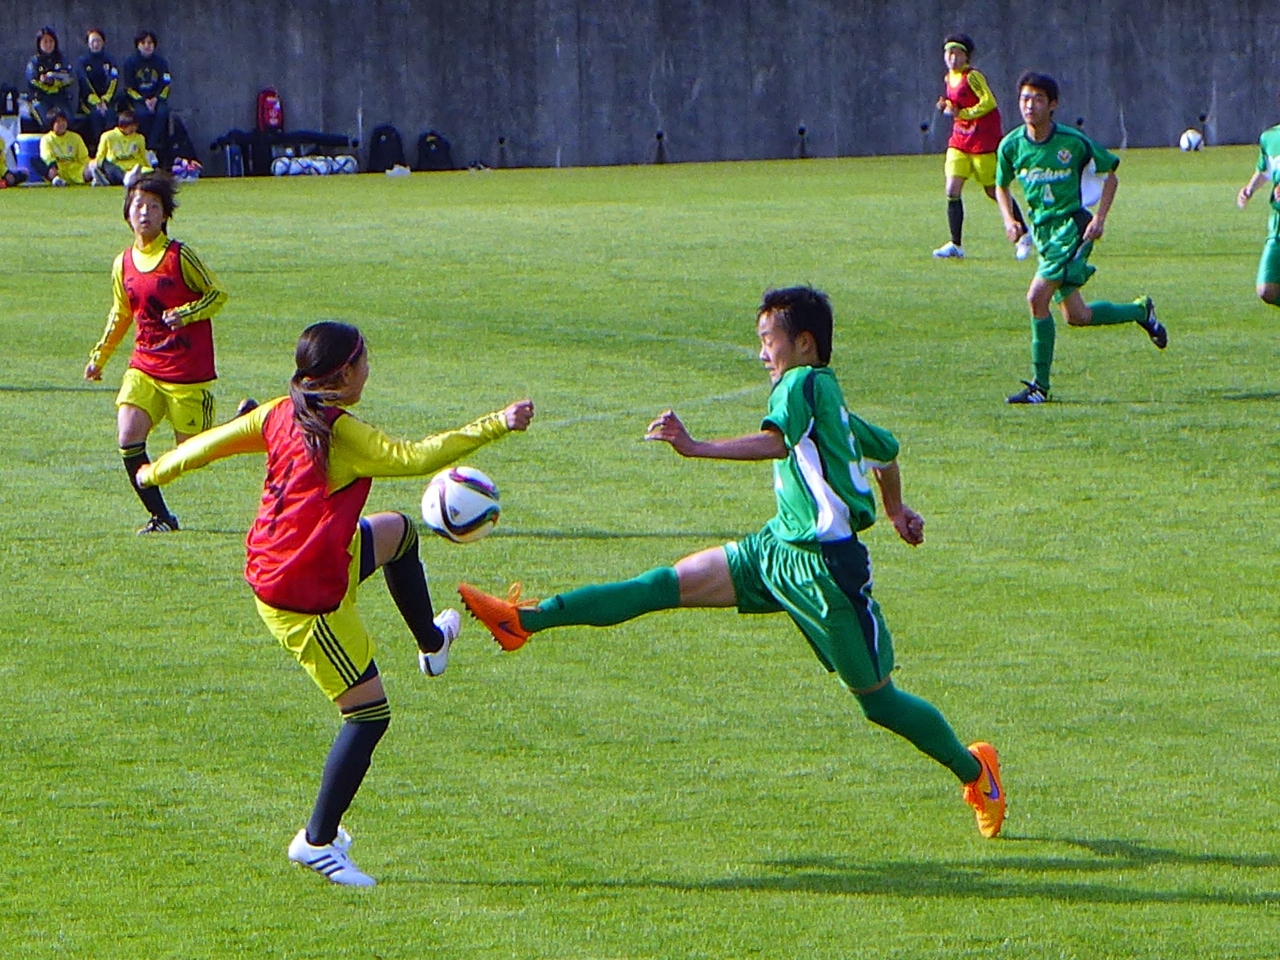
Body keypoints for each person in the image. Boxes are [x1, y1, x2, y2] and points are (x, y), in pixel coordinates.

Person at [460, 286, 1006, 841]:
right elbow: (887, 451)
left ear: (805, 343)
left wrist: (695, 447)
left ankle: (976, 770)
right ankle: (522, 620)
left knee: (878, 702)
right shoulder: (830, 398)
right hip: (774, 552)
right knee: (664, 584)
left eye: (769, 341)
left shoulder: (801, 384)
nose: (763, 354)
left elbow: (776, 444)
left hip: (825, 572)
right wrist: (894, 508)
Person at [136, 321, 536, 886]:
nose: (369, 370)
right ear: (345, 373)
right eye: (365, 361)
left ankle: (432, 642)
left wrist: (155, 469)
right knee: (368, 714)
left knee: (399, 533)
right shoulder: (341, 434)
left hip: (312, 556)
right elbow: (418, 456)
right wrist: (497, 423)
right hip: (302, 597)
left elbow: (212, 443)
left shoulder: (281, 410)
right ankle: (317, 841)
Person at [995, 72, 1168, 404]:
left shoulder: (1073, 142)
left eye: (1038, 99)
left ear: (1053, 105)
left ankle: (1039, 387)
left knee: (1036, 298)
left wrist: (1100, 219)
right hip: (1045, 236)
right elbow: (1001, 185)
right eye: (1024, 99)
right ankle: (1140, 311)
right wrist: (1009, 220)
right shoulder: (1011, 145)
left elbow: (1111, 176)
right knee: (1078, 316)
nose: (1029, 106)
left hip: (1073, 228)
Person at [83, 171, 229, 533]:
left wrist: (187, 313)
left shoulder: (180, 256)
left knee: (191, 456)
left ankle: (245, 422)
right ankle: (161, 517)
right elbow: (121, 313)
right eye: (137, 206)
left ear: (165, 215)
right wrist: (99, 357)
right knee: (128, 436)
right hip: (144, 366)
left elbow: (217, 294)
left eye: (153, 206)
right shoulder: (123, 263)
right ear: (127, 214)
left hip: (187, 371)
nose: (144, 213)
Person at [932, 33, 1031, 261]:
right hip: (959, 139)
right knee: (951, 189)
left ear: (966, 56)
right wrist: (947, 106)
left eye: (957, 53)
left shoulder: (973, 76)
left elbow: (988, 102)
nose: (952, 58)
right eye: (948, 53)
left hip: (981, 139)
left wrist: (964, 113)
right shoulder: (948, 78)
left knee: (993, 190)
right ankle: (956, 245)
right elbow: (957, 104)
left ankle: (1023, 234)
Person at [1235, 97, 1280, 310]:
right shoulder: (1270, 138)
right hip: (1278, 225)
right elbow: (1265, 171)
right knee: (1266, 290)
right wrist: (1249, 189)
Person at [121, 30, 171, 152]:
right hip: (137, 99)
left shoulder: (161, 62)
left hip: (157, 98)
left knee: (163, 112)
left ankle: (151, 148)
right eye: (143, 43)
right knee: (142, 114)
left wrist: (156, 99)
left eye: (150, 43)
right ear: (138, 45)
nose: (147, 46)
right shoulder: (130, 63)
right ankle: (142, 146)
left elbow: (166, 84)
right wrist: (144, 101)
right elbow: (128, 87)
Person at [76, 28, 119, 151]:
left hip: (107, 100)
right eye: (92, 41)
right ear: (88, 44)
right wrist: (97, 102)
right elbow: (84, 83)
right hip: (88, 100)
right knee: (95, 115)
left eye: (98, 41)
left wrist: (105, 100)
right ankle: (99, 149)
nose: (96, 44)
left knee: (110, 115)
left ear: (103, 42)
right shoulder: (83, 61)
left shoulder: (110, 60)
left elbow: (114, 81)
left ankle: (111, 149)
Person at [25, 26, 75, 128]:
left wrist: (54, 83)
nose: (48, 45)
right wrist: (47, 85)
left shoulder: (62, 59)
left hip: (60, 98)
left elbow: (70, 78)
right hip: (40, 99)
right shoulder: (34, 62)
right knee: (47, 121)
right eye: (45, 42)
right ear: (39, 44)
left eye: (51, 41)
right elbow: (33, 80)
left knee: (68, 119)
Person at [89, 109, 151, 186]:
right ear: (123, 125)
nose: (134, 129)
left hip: (134, 168)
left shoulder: (140, 138)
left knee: (146, 172)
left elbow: (143, 156)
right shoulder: (107, 136)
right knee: (105, 164)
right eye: (131, 126)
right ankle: (123, 178)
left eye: (135, 126)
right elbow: (100, 156)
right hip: (115, 168)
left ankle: (107, 180)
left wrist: (149, 168)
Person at [32, 108, 91, 185]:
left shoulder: (76, 137)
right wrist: (53, 165)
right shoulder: (47, 139)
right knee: (36, 161)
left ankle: (96, 178)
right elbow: (46, 155)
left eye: (63, 121)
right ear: (52, 124)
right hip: (57, 170)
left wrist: (88, 167)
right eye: (58, 122)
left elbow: (84, 157)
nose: (61, 124)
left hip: (75, 170)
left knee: (92, 166)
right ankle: (57, 180)